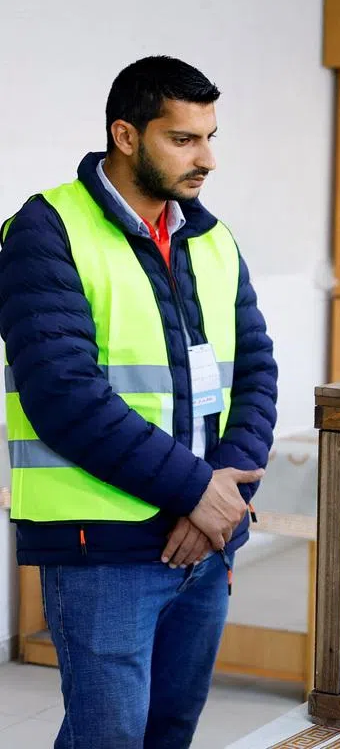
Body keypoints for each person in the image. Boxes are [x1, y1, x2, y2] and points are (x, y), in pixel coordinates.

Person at [0, 56, 278, 749]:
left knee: (169, 731)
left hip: (206, 545)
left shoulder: (212, 238)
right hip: (106, 548)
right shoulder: (45, 231)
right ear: (126, 136)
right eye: (183, 139)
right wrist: (197, 491)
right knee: (110, 738)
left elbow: (258, 373)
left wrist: (223, 496)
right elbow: (65, 394)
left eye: (210, 136)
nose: (207, 158)